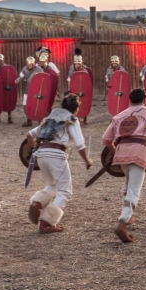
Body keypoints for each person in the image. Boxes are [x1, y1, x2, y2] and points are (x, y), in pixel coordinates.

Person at [102, 88, 146, 243]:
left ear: (129, 100)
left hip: (121, 154)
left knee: (128, 183)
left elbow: (106, 140)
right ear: (144, 100)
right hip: (139, 152)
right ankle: (122, 222)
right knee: (134, 189)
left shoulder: (119, 116)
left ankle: (129, 215)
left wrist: (114, 151)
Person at [26, 94, 92, 233]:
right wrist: (87, 160)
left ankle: (37, 202)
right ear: (76, 108)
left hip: (41, 155)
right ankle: (46, 222)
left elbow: (30, 135)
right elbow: (80, 144)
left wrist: (35, 149)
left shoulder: (49, 119)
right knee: (65, 191)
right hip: (56, 155)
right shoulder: (72, 120)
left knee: (53, 184)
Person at [17, 56, 44, 127]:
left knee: (37, 106)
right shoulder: (24, 69)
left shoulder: (39, 69)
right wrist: (17, 80)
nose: (29, 65)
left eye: (31, 63)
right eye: (28, 63)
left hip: (36, 91)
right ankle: (29, 120)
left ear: (33, 63)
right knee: (25, 106)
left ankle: (39, 120)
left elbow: (43, 79)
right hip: (28, 90)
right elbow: (20, 77)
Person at [0, 53, 14, 125]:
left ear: (2, 60)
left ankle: (9, 117)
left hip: (6, 87)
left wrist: (9, 84)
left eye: (0, 60)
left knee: (8, 101)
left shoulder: (6, 68)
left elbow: (10, 76)